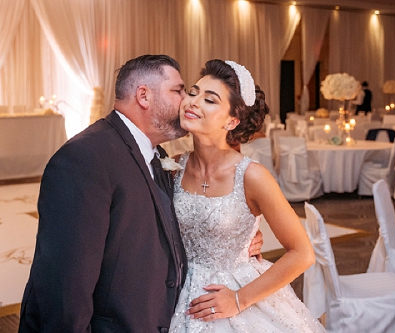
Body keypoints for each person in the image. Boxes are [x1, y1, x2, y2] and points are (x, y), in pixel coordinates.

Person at [18, 55, 262, 332]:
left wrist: (236, 234)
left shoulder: (159, 155)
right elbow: (65, 288)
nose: (186, 100)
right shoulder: (84, 158)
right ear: (144, 96)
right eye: (179, 90)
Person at [168, 59, 325, 332]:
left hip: (236, 295)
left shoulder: (252, 176)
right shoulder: (173, 167)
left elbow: (302, 253)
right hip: (176, 294)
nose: (193, 102)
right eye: (193, 93)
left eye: (210, 100)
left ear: (232, 120)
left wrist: (239, 299)